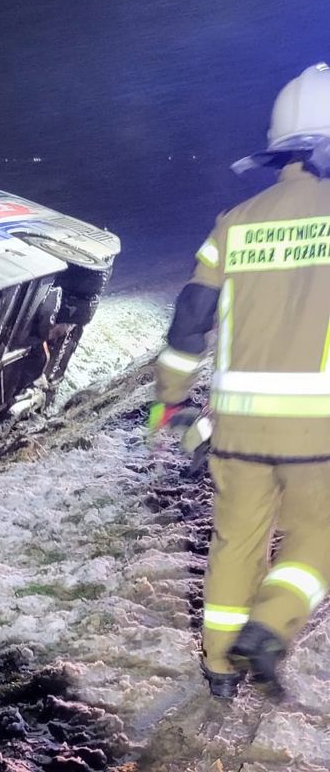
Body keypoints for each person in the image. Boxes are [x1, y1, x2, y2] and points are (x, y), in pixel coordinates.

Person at [152, 63, 330, 700]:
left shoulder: (236, 221)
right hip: (321, 434)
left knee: (235, 542)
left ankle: (219, 668)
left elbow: (190, 320)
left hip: (236, 429)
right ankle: (271, 625)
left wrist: (170, 404)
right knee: (317, 536)